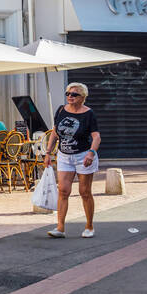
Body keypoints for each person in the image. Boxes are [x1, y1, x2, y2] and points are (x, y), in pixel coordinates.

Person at [44, 83, 101, 239]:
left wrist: (91, 153)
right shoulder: (61, 110)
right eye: (68, 93)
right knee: (63, 190)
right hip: (64, 155)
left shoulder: (89, 114)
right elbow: (55, 133)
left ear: (83, 97)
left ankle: (89, 226)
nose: (70, 96)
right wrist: (48, 152)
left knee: (85, 192)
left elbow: (96, 136)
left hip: (83, 156)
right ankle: (60, 228)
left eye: (74, 94)